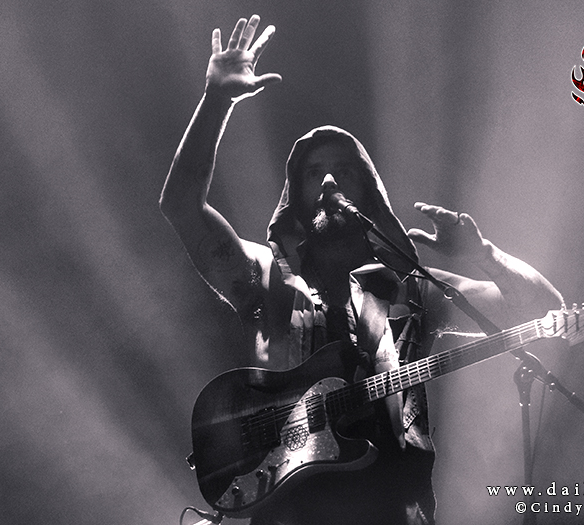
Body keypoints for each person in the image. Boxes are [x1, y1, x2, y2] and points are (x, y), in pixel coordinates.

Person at [160, 15, 563, 525]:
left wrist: (486, 256)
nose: (329, 181)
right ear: (296, 196)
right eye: (314, 173)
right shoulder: (266, 281)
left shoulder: (412, 290)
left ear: (369, 194)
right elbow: (180, 207)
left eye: (344, 171)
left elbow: (546, 311)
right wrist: (216, 100)